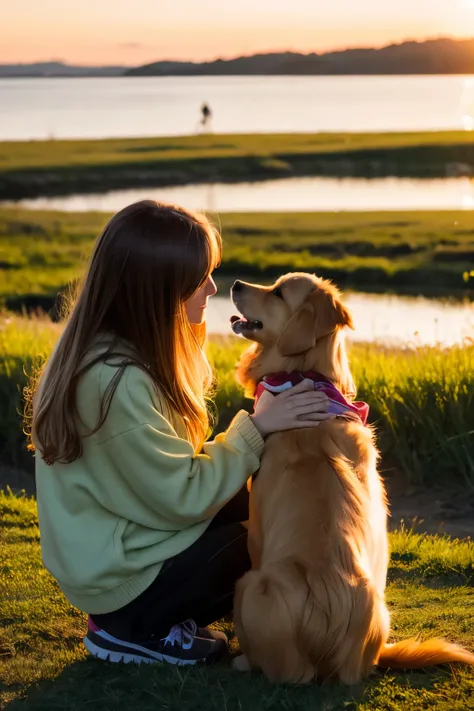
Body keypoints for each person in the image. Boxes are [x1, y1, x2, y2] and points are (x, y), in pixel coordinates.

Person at [28, 200, 331, 666]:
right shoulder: (115, 381)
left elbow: (166, 474)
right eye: (199, 278)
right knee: (266, 534)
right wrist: (257, 427)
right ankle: (137, 631)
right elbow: (181, 496)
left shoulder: (114, 351)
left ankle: (149, 616)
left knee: (265, 498)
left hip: (120, 551)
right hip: (121, 584)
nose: (212, 286)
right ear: (160, 289)